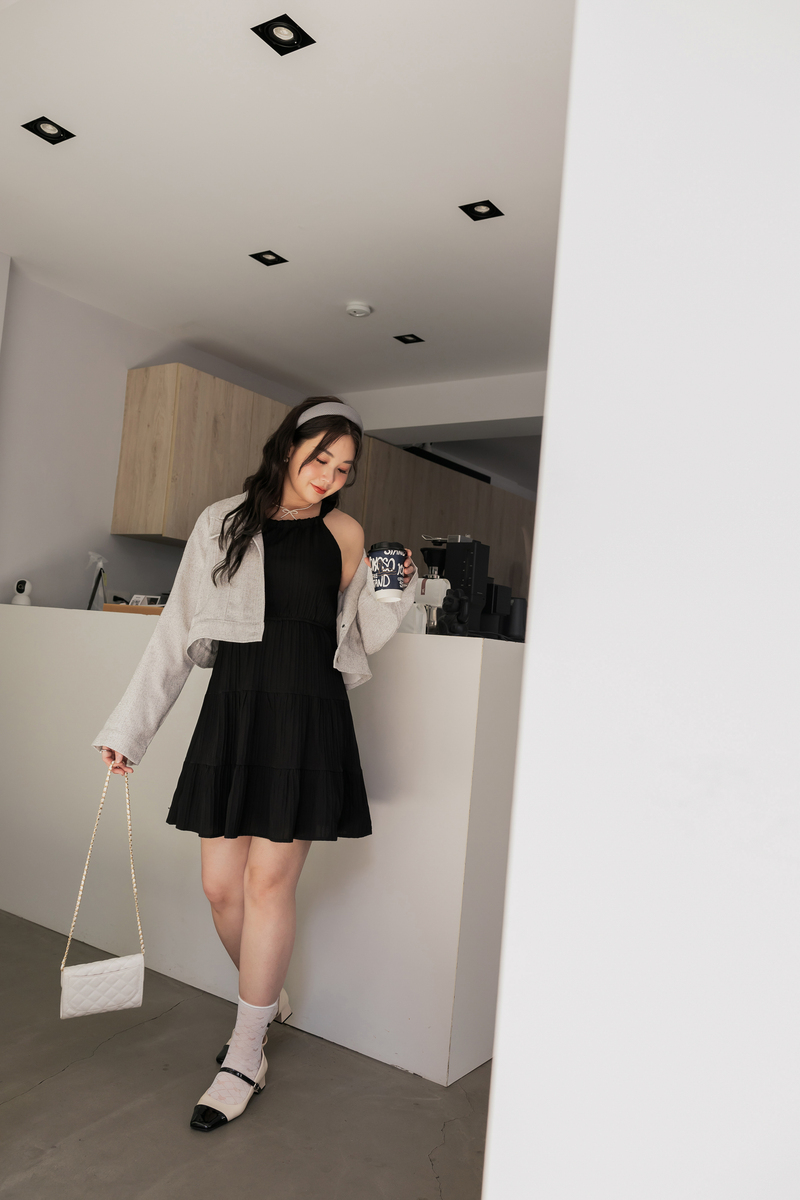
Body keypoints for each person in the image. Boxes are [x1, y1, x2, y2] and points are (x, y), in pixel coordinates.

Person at [93, 396, 418, 1132]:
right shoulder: (224, 522)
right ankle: (263, 995)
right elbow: (175, 633)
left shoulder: (344, 532)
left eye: (343, 469)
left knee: (269, 884)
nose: (328, 477)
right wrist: (129, 731)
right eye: (319, 459)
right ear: (289, 447)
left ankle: (246, 1053)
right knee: (220, 889)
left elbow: (365, 634)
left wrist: (393, 582)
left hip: (307, 713)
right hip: (235, 711)